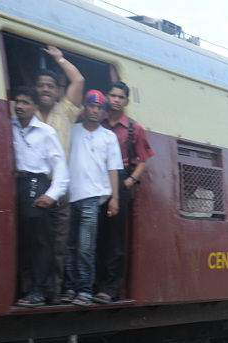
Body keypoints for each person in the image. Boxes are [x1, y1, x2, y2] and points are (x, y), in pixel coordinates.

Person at [94, 81, 155, 303]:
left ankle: (110, 289)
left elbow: (143, 160)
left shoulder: (133, 128)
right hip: (95, 180)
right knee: (95, 234)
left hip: (120, 180)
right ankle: (93, 284)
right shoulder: (97, 121)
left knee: (114, 239)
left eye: (120, 97)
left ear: (126, 101)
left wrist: (129, 182)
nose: (116, 100)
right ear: (107, 97)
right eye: (113, 96)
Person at [61, 90, 122, 307]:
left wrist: (115, 198)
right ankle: (69, 288)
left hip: (92, 198)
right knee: (69, 246)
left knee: (85, 247)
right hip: (69, 196)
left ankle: (84, 290)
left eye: (99, 108)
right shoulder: (72, 130)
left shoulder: (109, 137)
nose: (95, 111)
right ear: (84, 108)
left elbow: (113, 169)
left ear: (104, 112)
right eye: (91, 106)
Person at [10, 87, 69, 308]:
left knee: (40, 242)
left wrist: (51, 195)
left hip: (36, 183)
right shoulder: (9, 125)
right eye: (18, 101)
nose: (20, 106)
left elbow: (60, 166)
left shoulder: (46, 132)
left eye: (26, 102)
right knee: (22, 240)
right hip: (15, 183)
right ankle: (25, 289)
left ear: (35, 106)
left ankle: (41, 291)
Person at [34, 45, 85, 293]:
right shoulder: (25, 112)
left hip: (59, 186)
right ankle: (35, 289)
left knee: (59, 242)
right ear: (35, 89)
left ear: (57, 92)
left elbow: (78, 80)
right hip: (33, 184)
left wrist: (60, 59)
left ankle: (54, 291)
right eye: (41, 85)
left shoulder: (65, 112)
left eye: (50, 86)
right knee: (35, 240)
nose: (45, 89)